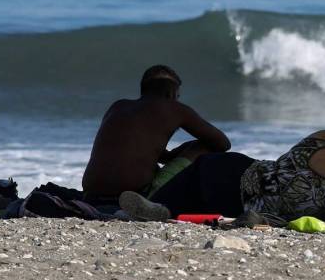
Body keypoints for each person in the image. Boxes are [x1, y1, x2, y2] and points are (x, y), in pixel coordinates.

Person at [119, 128, 325, 225]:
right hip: (246, 208)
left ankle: (158, 205)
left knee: (202, 168)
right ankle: (168, 212)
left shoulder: (321, 140)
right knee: (213, 207)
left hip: (239, 176)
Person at [82, 65, 230, 204]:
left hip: (91, 194)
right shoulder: (175, 109)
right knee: (202, 146)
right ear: (171, 94)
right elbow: (223, 143)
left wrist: (173, 154)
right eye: (177, 96)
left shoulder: (118, 106)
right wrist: (188, 148)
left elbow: (135, 149)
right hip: (136, 195)